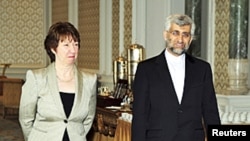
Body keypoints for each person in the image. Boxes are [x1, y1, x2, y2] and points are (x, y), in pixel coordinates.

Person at [131, 14, 221, 141]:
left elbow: (211, 112)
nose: (180, 39)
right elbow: (140, 116)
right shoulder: (146, 69)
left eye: (185, 34)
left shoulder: (202, 69)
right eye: (175, 33)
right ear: (166, 35)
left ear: (190, 39)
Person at [19, 22, 97, 141]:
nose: (73, 50)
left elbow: (88, 120)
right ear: (53, 48)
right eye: (66, 45)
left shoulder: (89, 80)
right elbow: (25, 119)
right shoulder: (37, 78)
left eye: (76, 44)